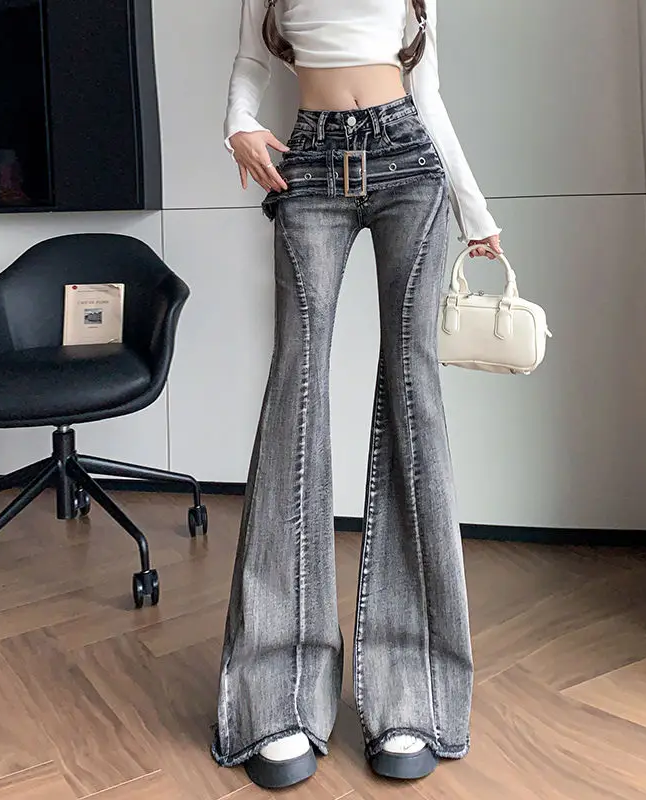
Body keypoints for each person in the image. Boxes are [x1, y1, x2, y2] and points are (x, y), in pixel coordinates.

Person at [212, 0, 502, 790]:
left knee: (415, 397)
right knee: (295, 393)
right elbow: (250, 63)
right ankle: (277, 695)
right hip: (306, 162)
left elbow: (427, 89)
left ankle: (413, 692)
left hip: (410, 160)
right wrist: (238, 124)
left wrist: (473, 208)